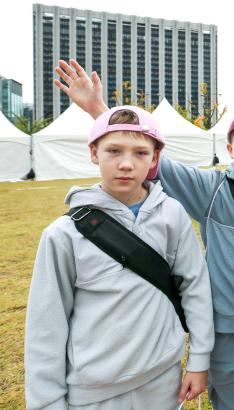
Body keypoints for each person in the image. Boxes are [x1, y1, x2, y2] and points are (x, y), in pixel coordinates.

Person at [53, 60, 234, 410]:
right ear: (229, 149)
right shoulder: (210, 189)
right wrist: (97, 109)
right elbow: (151, 159)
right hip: (226, 331)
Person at [24, 106, 214, 409]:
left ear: (155, 159)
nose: (126, 164)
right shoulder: (62, 235)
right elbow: (46, 326)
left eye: (140, 153)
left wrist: (200, 359)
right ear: (94, 153)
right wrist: (46, 402)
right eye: (114, 151)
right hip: (93, 393)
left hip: (164, 382)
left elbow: (196, 287)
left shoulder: (173, 216)